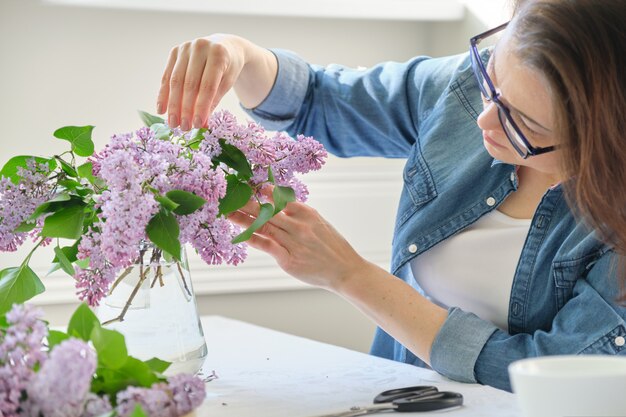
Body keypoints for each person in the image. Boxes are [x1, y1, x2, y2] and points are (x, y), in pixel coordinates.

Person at [155, 0, 626, 391]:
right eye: (492, 81)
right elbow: (318, 99)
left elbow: (549, 377)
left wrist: (348, 275)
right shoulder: (460, 89)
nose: (483, 120)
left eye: (525, 124)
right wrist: (237, 53)